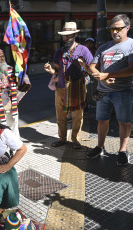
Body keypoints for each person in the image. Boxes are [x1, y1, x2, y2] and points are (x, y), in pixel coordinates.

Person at [79, 14, 133, 165]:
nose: (115, 32)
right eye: (112, 29)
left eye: (119, 29)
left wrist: (108, 74)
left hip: (123, 91)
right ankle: (99, 147)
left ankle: (122, 151)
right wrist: (99, 76)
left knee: (124, 122)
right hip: (103, 92)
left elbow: (131, 68)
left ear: (127, 28)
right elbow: (92, 66)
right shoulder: (104, 47)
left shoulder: (131, 45)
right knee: (102, 121)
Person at [44, 22, 93, 150]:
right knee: (60, 116)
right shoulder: (59, 51)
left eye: (68, 35)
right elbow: (57, 70)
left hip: (77, 88)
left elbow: (91, 70)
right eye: (64, 36)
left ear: (75, 35)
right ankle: (62, 138)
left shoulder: (83, 50)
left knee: (77, 116)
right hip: (61, 87)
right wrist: (51, 70)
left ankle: (75, 139)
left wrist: (83, 66)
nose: (65, 38)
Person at [0, 47, 29, 138]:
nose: (2, 58)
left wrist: (20, 77)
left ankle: (15, 148)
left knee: (14, 126)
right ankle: (4, 148)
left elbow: (20, 81)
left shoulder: (11, 69)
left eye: (3, 56)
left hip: (11, 104)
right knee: (1, 128)